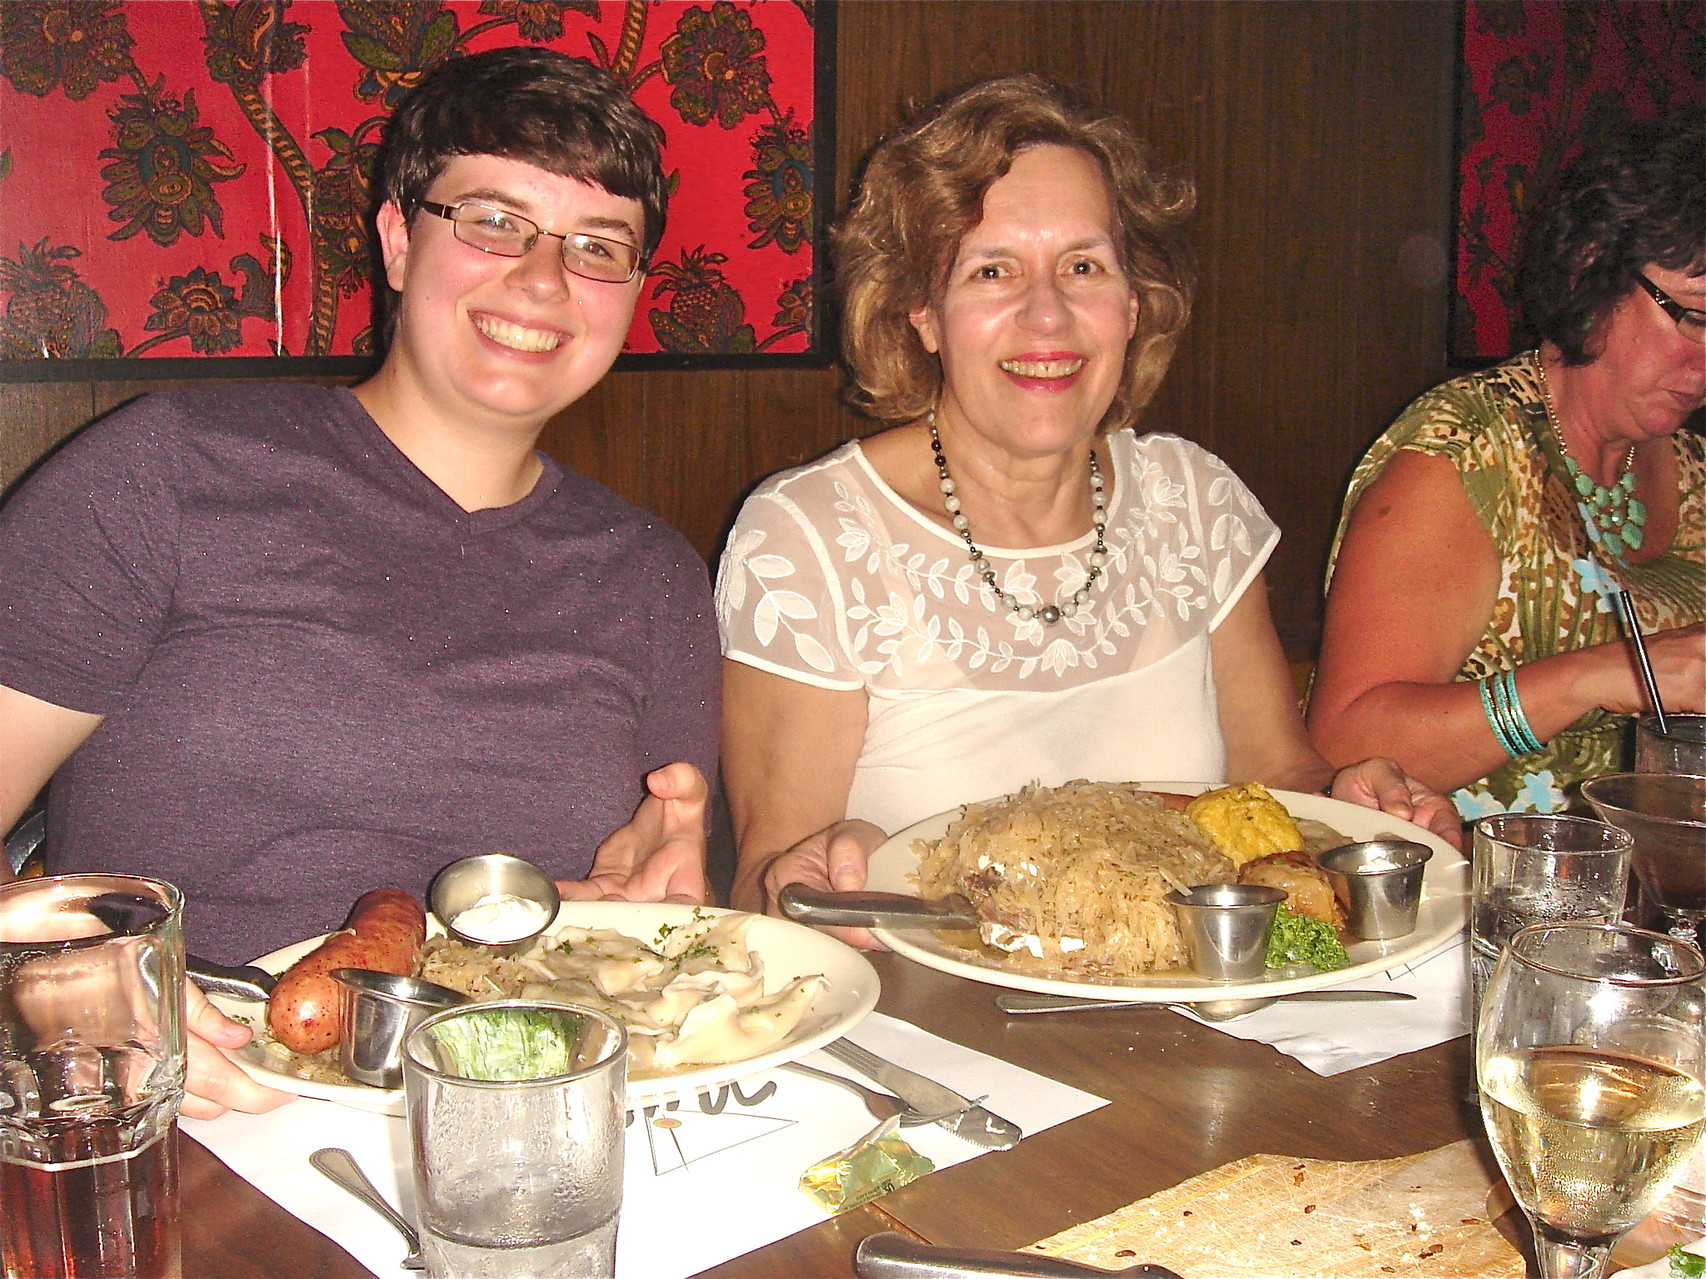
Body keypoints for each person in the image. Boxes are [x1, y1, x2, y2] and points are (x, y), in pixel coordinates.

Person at [0, 49, 719, 1114]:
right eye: (491, 221)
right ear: (396, 240)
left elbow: (654, 902)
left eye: (596, 247)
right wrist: (46, 985)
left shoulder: (654, 575)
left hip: (519, 1115)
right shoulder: (165, 471)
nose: (540, 279)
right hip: (183, 1115)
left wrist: (654, 908)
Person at [716, 74, 1459, 939]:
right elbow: (767, 888)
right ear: (922, 311)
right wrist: (811, 878)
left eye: (1083, 267)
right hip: (930, 1039)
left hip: (1194, 1025)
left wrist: (1349, 800)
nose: (1048, 316)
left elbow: (1275, 777)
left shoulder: (1195, 500)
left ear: (1133, 303)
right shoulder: (810, 539)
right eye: (992, 270)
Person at [1308, 109, 1704, 818]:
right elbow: (1344, 742)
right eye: (1696, 316)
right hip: (1477, 899)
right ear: (1594, 269)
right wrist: (1603, 676)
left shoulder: (1694, 468)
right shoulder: (1464, 455)